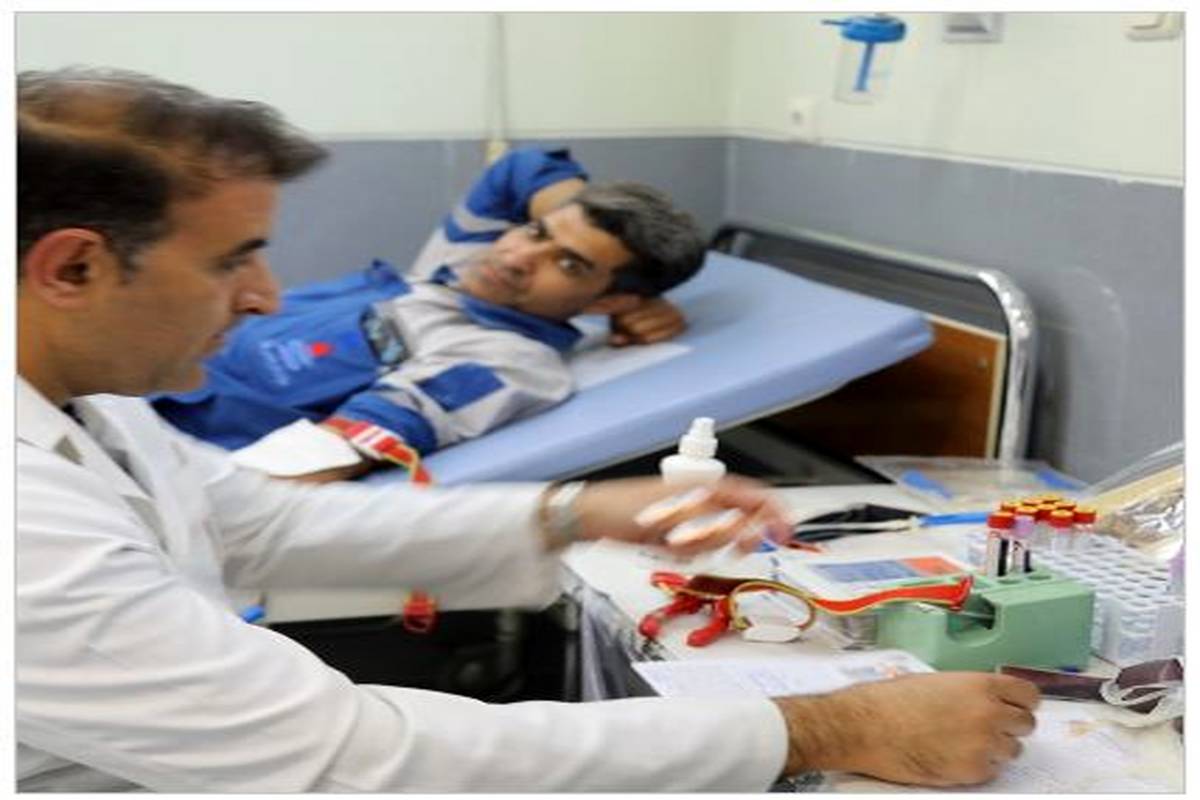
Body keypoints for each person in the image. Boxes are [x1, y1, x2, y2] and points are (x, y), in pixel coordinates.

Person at [16, 66, 1039, 792]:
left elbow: (267, 522)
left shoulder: (97, 400)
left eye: (570, 263)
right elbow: (350, 757)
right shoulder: (29, 520)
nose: (265, 295)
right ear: (72, 268)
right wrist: (824, 727)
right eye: (231, 259)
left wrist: (575, 511)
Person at [148, 148, 705, 481]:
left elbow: (338, 446)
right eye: (537, 231)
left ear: (610, 301)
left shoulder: (505, 360)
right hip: (141, 372)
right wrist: (577, 224)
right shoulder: (461, 264)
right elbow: (522, 167)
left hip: (165, 439)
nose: (516, 257)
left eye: (568, 264)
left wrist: (174, 507)